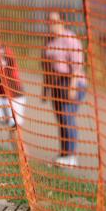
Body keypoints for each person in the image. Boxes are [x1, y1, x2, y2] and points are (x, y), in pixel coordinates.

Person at [42, 12, 87, 167]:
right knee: (61, 120)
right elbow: (46, 67)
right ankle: (64, 155)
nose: (51, 23)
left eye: (54, 20)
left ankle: (72, 156)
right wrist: (45, 90)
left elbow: (77, 65)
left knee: (68, 117)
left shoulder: (70, 39)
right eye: (49, 20)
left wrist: (72, 86)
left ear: (62, 21)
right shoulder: (49, 41)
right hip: (57, 84)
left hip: (73, 83)